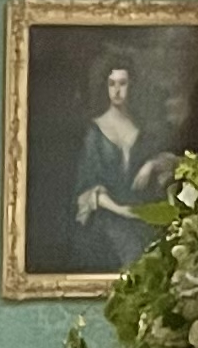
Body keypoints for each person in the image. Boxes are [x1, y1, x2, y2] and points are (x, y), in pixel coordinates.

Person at [68, 57, 175, 272]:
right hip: (108, 217)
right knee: (127, 247)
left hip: (141, 216)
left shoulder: (142, 130)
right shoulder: (95, 132)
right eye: (112, 84)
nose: (117, 90)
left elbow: (169, 164)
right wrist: (122, 210)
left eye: (122, 83)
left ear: (132, 85)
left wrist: (151, 165)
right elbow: (89, 187)